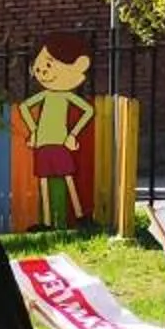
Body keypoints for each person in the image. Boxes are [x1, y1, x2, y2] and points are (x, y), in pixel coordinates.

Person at [21, 33, 98, 228]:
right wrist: (34, 130)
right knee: (44, 180)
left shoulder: (65, 96)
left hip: (59, 142)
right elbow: (24, 107)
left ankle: (80, 216)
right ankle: (46, 222)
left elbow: (88, 110)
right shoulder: (45, 94)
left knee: (68, 177)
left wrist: (72, 134)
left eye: (48, 65)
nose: (43, 72)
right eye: (40, 67)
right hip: (43, 143)